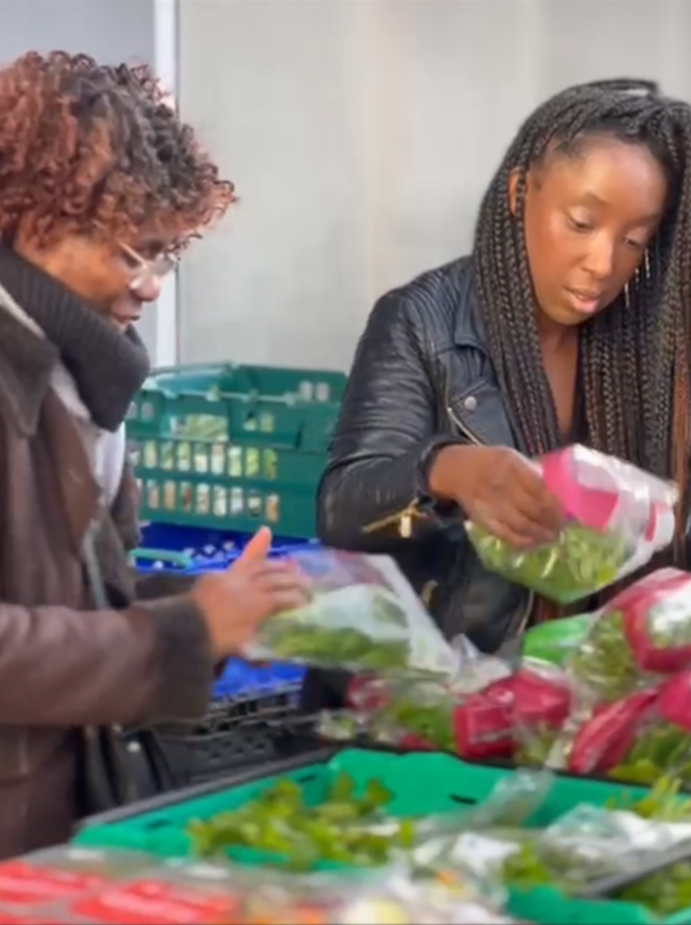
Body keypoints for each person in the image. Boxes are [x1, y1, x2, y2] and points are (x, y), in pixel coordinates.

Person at [0, 50, 309, 858]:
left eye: (169, 253)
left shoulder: (75, 368)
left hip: (56, 813)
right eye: (135, 252)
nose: (153, 285)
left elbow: (71, 587)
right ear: (37, 223)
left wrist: (214, 603)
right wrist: (183, 633)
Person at [309, 77, 691, 710]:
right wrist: (446, 471)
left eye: (633, 241)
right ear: (521, 192)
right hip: (437, 710)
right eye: (581, 222)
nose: (602, 262)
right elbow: (343, 511)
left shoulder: (657, 352)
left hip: (594, 718)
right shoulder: (423, 321)